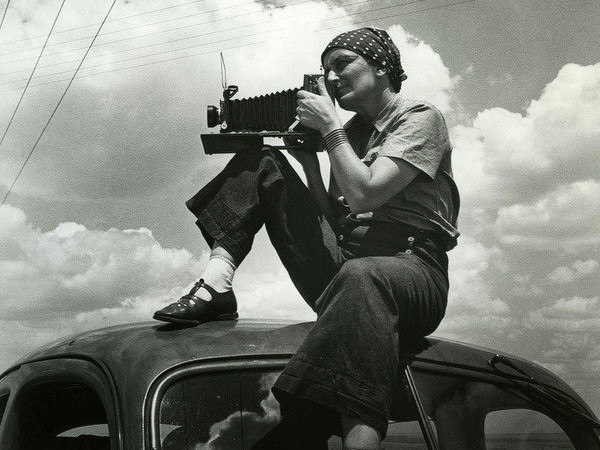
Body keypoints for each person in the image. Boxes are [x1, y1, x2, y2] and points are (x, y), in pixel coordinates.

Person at [154, 27, 459, 450]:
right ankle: (216, 283)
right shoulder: (351, 134)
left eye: (342, 64)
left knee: (362, 277)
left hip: (412, 270)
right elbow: (340, 217)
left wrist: (330, 129)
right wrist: (309, 165)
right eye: (325, 70)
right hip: (350, 264)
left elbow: (367, 191)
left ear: (382, 66)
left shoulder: (419, 117)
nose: (331, 79)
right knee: (263, 162)